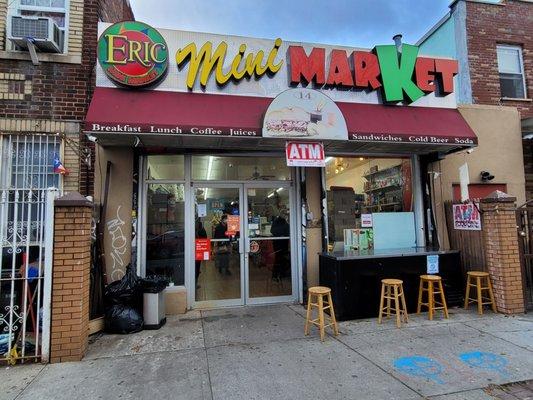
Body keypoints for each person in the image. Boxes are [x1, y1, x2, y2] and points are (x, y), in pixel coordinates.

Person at [270, 211, 290, 281]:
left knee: (279, 259)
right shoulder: (282, 222)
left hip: (279, 243)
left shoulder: (278, 221)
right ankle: (277, 275)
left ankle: (278, 275)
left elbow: (272, 231)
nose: (286, 216)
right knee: (279, 259)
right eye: (286, 215)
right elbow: (273, 231)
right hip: (280, 243)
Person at [195, 220, 207, 287]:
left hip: (197, 250)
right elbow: (205, 238)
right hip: (199, 249)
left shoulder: (194, 230)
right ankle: (195, 283)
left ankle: (195, 283)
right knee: (197, 266)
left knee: (196, 266)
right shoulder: (201, 230)